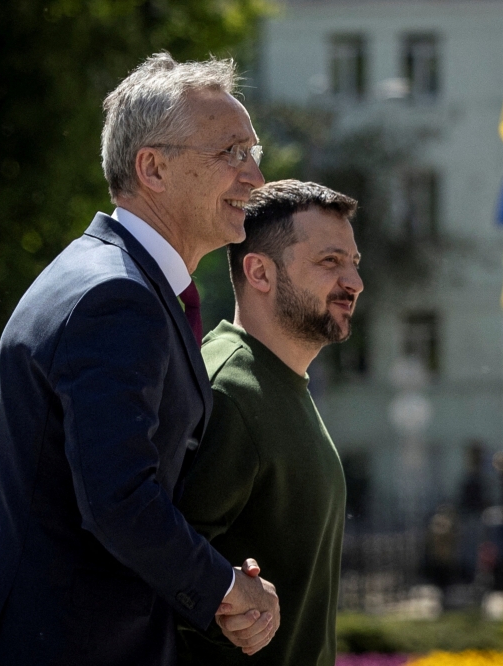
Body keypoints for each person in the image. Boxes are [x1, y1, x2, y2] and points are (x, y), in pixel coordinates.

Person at [0, 53, 279, 666]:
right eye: (231, 153)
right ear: (153, 168)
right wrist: (226, 588)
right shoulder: (115, 297)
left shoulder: (117, 281)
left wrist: (220, 574)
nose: (254, 177)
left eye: (255, 153)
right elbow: (119, 501)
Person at [176, 180, 363, 666]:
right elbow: (157, 573)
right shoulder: (229, 391)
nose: (354, 282)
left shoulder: (280, 382)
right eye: (330, 261)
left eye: (354, 263)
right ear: (259, 271)